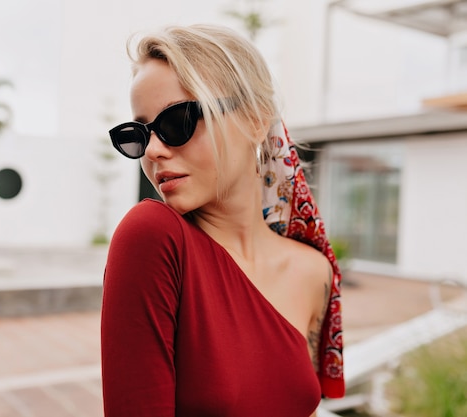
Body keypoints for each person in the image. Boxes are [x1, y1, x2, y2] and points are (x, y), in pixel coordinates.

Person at [101, 24, 344, 417]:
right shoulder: (152, 236)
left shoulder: (315, 272)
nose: (154, 151)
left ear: (254, 120)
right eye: (139, 134)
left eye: (176, 121)